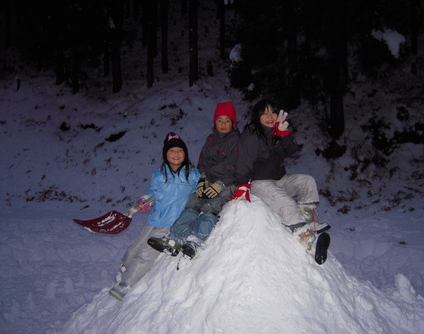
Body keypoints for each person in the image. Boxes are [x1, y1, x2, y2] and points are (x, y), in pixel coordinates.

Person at [231, 99, 331, 264]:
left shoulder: (276, 132)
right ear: (258, 116)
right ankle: (307, 240)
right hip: (259, 183)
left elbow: (291, 150)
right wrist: (242, 186)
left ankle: (310, 221)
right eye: (265, 113)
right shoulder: (251, 135)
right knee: (286, 203)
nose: (270, 116)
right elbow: (243, 161)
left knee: (307, 182)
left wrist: (284, 134)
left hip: (279, 179)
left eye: (273, 112)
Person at [109, 132, 200, 301]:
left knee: (147, 252)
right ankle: (124, 269)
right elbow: (153, 193)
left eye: (180, 151)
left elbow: (197, 195)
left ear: (185, 154)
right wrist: (145, 201)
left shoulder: (193, 174)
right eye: (172, 151)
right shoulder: (159, 174)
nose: (176, 154)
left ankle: (127, 283)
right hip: (155, 218)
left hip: (172, 221)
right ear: (166, 154)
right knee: (135, 247)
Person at [148, 102, 239, 259]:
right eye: (219, 120)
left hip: (228, 183)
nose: (223, 124)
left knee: (211, 206)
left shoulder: (237, 141)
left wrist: (221, 183)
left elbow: (236, 166)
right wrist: (202, 178)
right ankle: (174, 238)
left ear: (233, 123)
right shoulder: (210, 140)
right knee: (192, 202)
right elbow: (202, 162)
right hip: (208, 180)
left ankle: (195, 240)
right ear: (215, 122)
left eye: (227, 120)